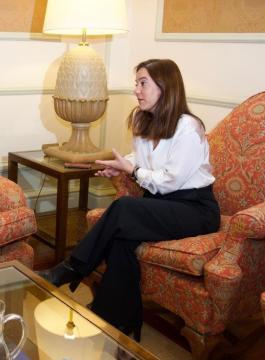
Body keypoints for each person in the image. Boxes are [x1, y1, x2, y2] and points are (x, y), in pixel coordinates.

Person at [38, 59, 220, 340]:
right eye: (136, 83)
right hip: (162, 204)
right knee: (121, 242)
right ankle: (116, 319)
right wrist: (123, 165)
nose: (136, 90)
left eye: (143, 83)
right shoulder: (142, 119)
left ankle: (73, 268)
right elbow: (142, 160)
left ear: (165, 87)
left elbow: (170, 181)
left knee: (123, 208)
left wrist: (133, 171)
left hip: (194, 208)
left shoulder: (189, 128)